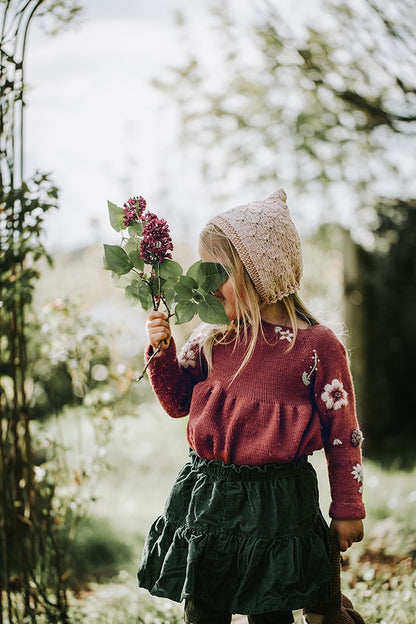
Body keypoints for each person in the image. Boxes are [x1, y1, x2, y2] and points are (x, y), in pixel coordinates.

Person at [137, 190, 365, 624]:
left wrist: (347, 507)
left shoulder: (315, 347)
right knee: (204, 608)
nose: (204, 284)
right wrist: (161, 348)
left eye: (217, 272)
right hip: (211, 498)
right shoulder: (212, 336)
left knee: (271, 612)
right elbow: (177, 402)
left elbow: (343, 433)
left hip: (279, 505)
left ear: (261, 272)